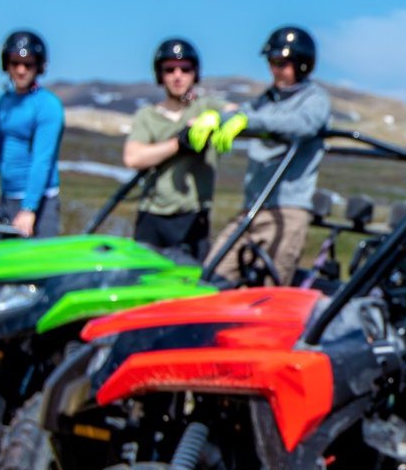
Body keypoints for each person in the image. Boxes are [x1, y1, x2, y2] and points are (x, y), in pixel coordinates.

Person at [202, 25, 331, 284]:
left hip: (287, 213)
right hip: (252, 209)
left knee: (267, 291)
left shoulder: (315, 99)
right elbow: (244, 113)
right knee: (212, 276)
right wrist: (217, 118)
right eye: (272, 62)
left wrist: (251, 123)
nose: (275, 69)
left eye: (282, 63)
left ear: (302, 64)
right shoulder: (266, 100)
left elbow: (303, 124)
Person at [123, 38, 220, 261]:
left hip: (193, 218)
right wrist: (178, 144)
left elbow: (239, 114)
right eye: (170, 69)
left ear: (195, 72)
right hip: (152, 216)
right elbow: (133, 157)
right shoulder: (147, 116)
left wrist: (214, 120)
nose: (178, 76)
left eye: (185, 69)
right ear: (160, 74)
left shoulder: (207, 107)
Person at [0, 30, 64, 238]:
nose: (21, 70)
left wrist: (29, 208)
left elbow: (43, 159)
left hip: (40, 202)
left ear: (39, 66)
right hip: (7, 198)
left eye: (28, 64)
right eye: (15, 63)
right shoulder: (4, 102)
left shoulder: (48, 105)